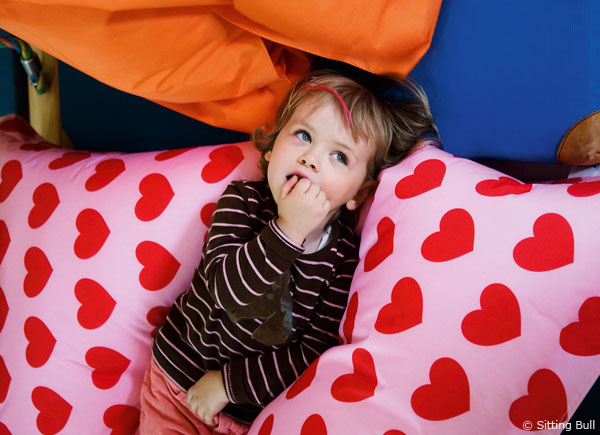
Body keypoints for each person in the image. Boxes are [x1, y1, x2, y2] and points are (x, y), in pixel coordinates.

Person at [139, 70, 438, 434]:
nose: (312, 159)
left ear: (359, 193)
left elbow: (308, 355)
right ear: (273, 143)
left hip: (248, 411)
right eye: (303, 135)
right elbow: (224, 292)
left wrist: (228, 385)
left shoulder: (342, 261)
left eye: (339, 157)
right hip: (178, 383)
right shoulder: (243, 203)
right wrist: (288, 231)